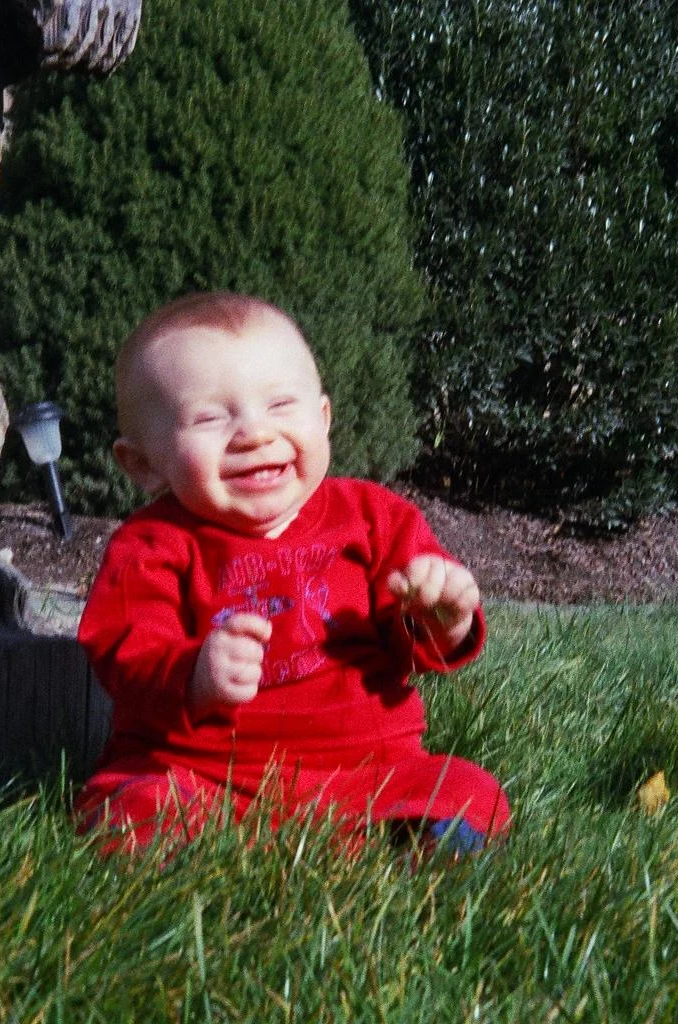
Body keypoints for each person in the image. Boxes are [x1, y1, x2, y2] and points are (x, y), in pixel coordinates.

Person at [74, 292, 510, 855]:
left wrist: (443, 619)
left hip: (364, 773)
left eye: (281, 405)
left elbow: (418, 642)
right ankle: (226, 848)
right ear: (143, 463)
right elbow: (122, 652)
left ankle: (404, 840)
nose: (255, 433)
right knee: (138, 803)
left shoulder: (375, 519)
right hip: (206, 773)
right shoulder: (150, 546)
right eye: (209, 417)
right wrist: (193, 672)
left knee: (470, 791)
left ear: (323, 419)